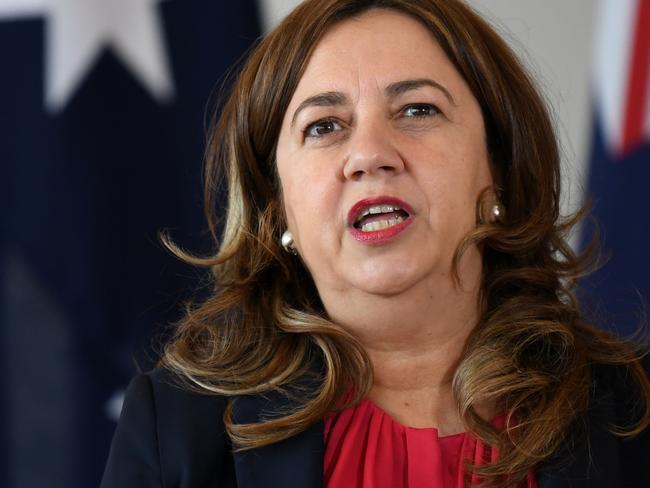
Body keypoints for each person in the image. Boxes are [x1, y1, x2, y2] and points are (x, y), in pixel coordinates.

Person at [100, 0, 650, 487]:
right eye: (324, 125)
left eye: (417, 110)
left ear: (499, 167)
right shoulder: (175, 429)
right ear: (277, 204)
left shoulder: (634, 409)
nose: (369, 154)